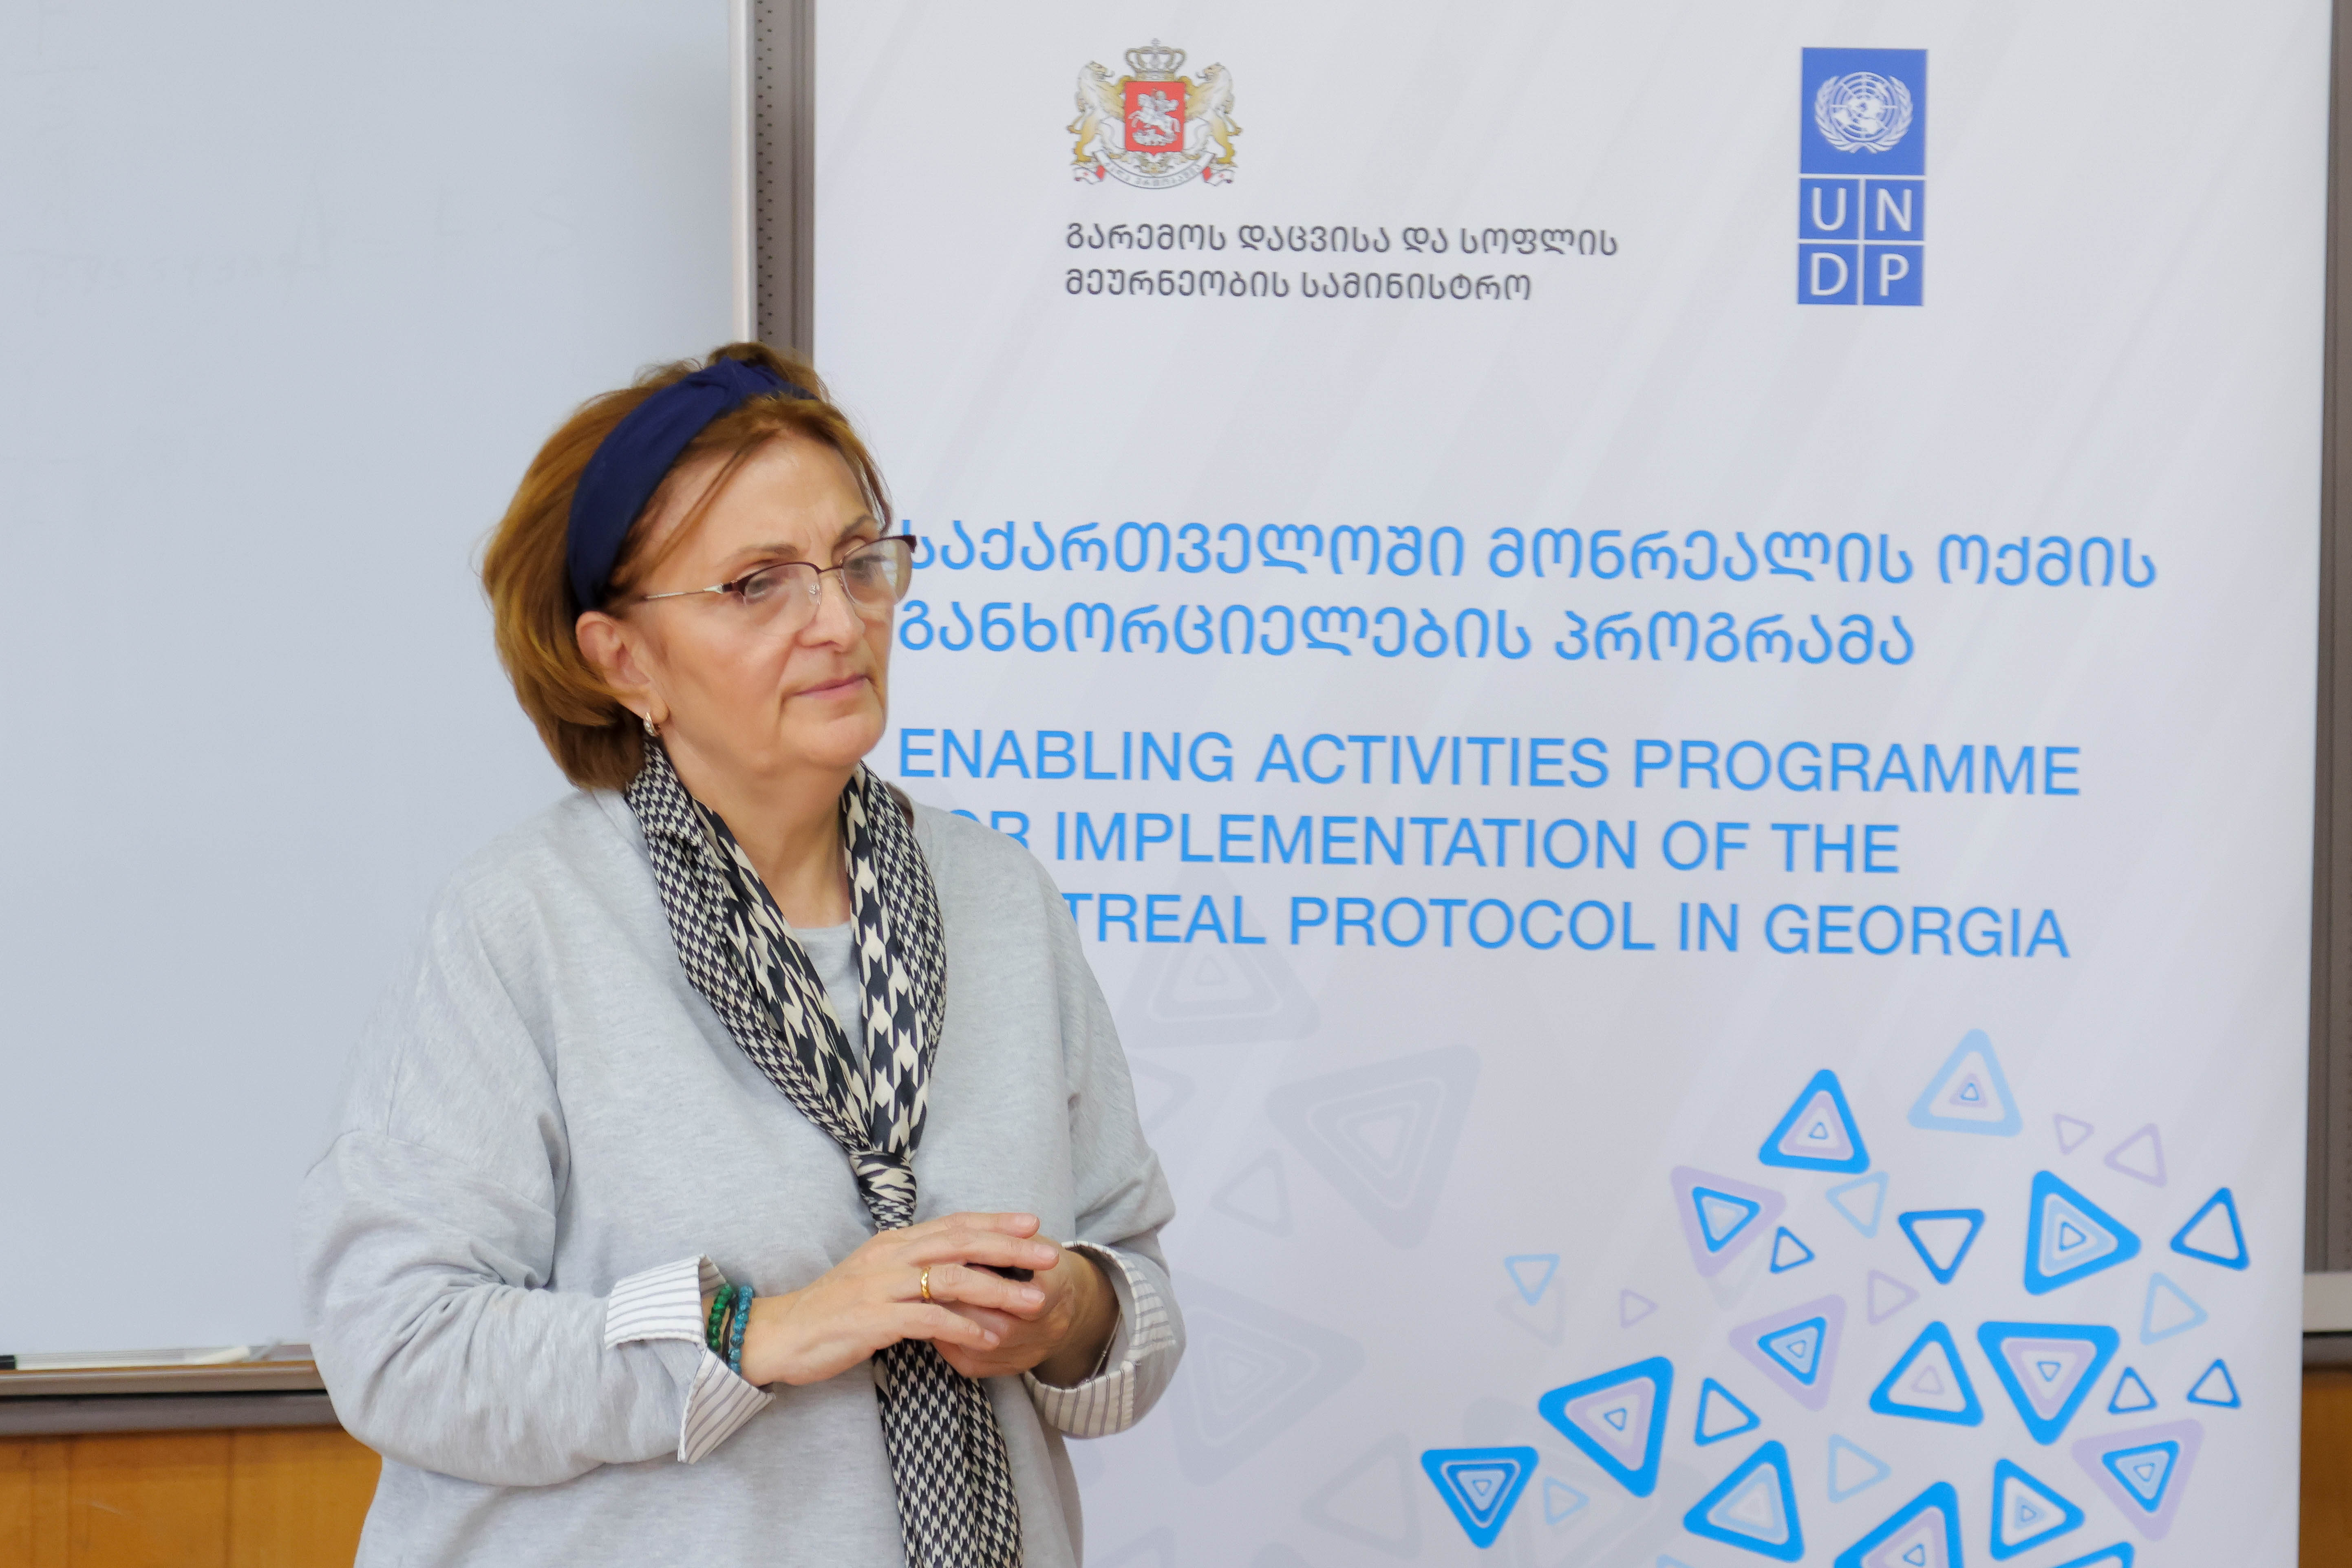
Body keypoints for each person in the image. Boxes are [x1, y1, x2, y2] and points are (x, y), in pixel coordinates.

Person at [296, 344, 1182, 1567]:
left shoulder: (998, 897)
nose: (840, 622)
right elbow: (398, 1350)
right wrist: (759, 1332)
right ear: (622, 659)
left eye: (859, 563)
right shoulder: (526, 921)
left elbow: (1132, 1289)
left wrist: (1070, 1312)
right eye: (759, 585)